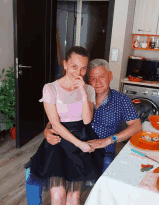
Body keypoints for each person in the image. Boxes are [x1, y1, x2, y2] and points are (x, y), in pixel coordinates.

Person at [25, 46, 105, 205]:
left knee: (74, 198)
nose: (78, 72)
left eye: (83, 68)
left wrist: (82, 92)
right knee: (57, 195)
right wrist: (79, 144)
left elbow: (87, 120)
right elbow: (54, 123)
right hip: (59, 141)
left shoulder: (88, 89)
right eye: (74, 66)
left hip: (82, 136)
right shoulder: (50, 88)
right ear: (65, 64)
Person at [45, 58, 142, 173]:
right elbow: (56, 118)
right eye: (92, 78)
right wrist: (46, 130)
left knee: (106, 182)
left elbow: (136, 126)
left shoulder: (121, 99)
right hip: (74, 148)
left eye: (102, 76)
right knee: (43, 170)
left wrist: (109, 140)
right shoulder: (78, 94)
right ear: (89, 81)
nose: (97, 82)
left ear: (110, 76)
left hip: (104, 152)